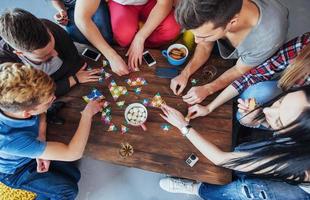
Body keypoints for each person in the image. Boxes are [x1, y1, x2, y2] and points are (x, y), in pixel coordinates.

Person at [158, 85, 310, 200]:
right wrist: (253, 118)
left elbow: (221, 159)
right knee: (242, 152)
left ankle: (198, 189)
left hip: (301, 188)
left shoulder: (298, 166)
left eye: (279, 121)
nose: (267, 110)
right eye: (280, 102)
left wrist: (183, 126)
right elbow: (259, 124)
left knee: (245, 189)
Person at [0, 62, 104, 199]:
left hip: (28, 147)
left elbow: (41, 113)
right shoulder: (9, 139)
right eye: (49, 101)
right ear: (27, 113)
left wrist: (41, 138)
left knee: (73, 174)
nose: (54, 99)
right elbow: (73, 153)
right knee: (67, 190)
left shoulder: (21, 101)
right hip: (15, 171)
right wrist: (87, 114)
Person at [171, 0, 289, 105]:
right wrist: (185, 74)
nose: (196, 40)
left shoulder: (267, 39)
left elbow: (239, 70)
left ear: (232, 22)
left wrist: (208, 89)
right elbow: (205, 45)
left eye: (204, 36)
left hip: (257, 54)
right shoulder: (210, 14)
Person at [0, 8, 101, 124]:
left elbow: (74, 60)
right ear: (20, 53)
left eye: (53, 45)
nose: (55, 54)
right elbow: (35, 99)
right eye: (45, 55)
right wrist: (72, 79)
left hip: (62, 81)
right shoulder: (6, 67)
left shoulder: (51, 28)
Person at [187, 32, 310, 123]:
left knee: (245, 117)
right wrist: (209, 107)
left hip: (293, 136)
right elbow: (253, 75)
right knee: (251, 105)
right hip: (285, 88)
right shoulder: (305, 45)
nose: (197, 40)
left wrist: (261, 120)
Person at [74, 0, 180, 75]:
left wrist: (140, 38)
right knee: (124, 36)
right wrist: (111, 56)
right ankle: (133, 44)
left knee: (172, 28)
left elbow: (165, 3)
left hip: (152, 2)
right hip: (122, 4)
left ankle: (140, 45)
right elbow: (81, 18)